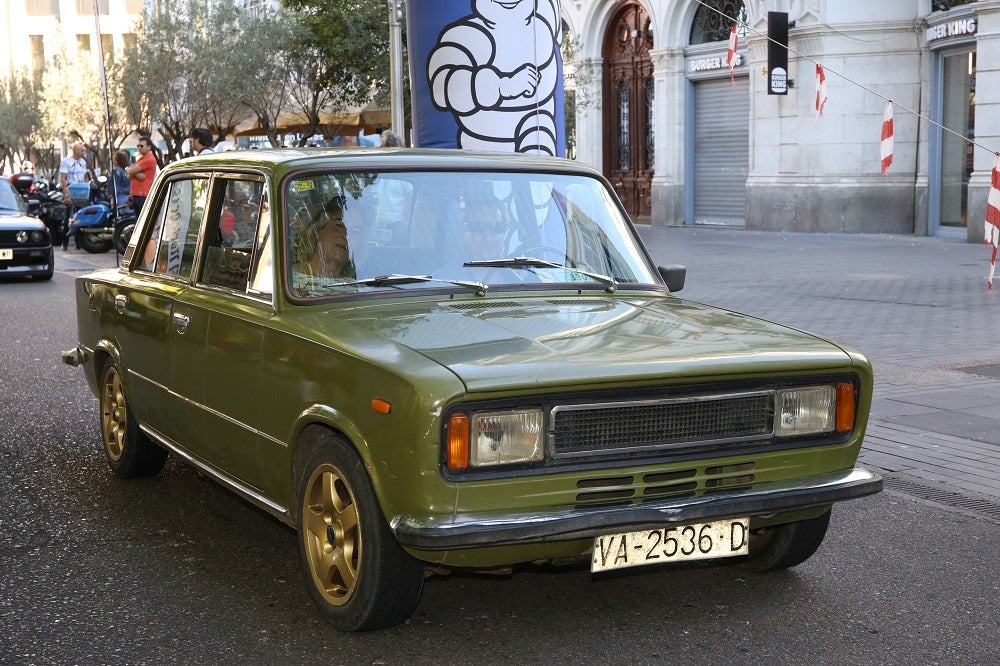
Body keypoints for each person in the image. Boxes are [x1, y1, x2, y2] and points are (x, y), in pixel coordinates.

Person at [59, 143, 88, 249]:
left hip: (82, 192)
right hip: (71, 191)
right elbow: (63, 178)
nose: (83, 152)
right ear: (75, 151)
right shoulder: (66, 162)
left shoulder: (83, 162)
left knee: (81, 216)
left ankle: (79, 242)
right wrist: (66, 195)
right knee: (68, 217)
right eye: (82, 150)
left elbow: (85, 177)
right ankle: (65, 242)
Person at [127, 136, 157, 214]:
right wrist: (135, 173)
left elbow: (131, 171)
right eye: (138, 146)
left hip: (142, 194)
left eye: (141, 146)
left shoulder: (149, 159)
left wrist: (129, 170)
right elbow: (129, 175)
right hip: (136, 194)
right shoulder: (141, 159)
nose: (139, 148)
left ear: (149, 147)